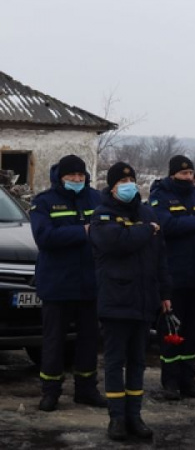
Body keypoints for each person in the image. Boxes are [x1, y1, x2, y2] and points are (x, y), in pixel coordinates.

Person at [89, 162, 171, 441]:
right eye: (122, 181)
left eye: (131, 180)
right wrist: (147, 230)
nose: (128, 185)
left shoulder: (147, 213)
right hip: (116, 298)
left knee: (138, 362)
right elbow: (116, 243)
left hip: (145, 299)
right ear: (111, 187)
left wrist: (165, 294)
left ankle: (135, 416)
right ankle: (117, 418)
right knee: (115, 362)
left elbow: (161, 258)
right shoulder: (102, 216)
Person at [29, 155, 107, 412]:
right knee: (53, 341)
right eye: (71, 176)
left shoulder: (96, 199)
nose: (76, 180)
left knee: (88, 340)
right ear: (60, 177)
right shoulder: (44, 202)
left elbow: (107, 229)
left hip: (89, 283)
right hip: (57, 283)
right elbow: (45, 237)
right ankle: (50, 391)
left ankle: (86, 389)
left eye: (80, 176)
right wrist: (82, 232)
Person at [149, 155, 195, 401]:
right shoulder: (160, 196)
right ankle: (170, 381)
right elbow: (165, 225)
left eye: (191, 174)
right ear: (173, 174)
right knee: (170, 332)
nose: (188, 178)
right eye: (184, 174)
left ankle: (189, 380)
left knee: (192, 332)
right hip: (173, 276)